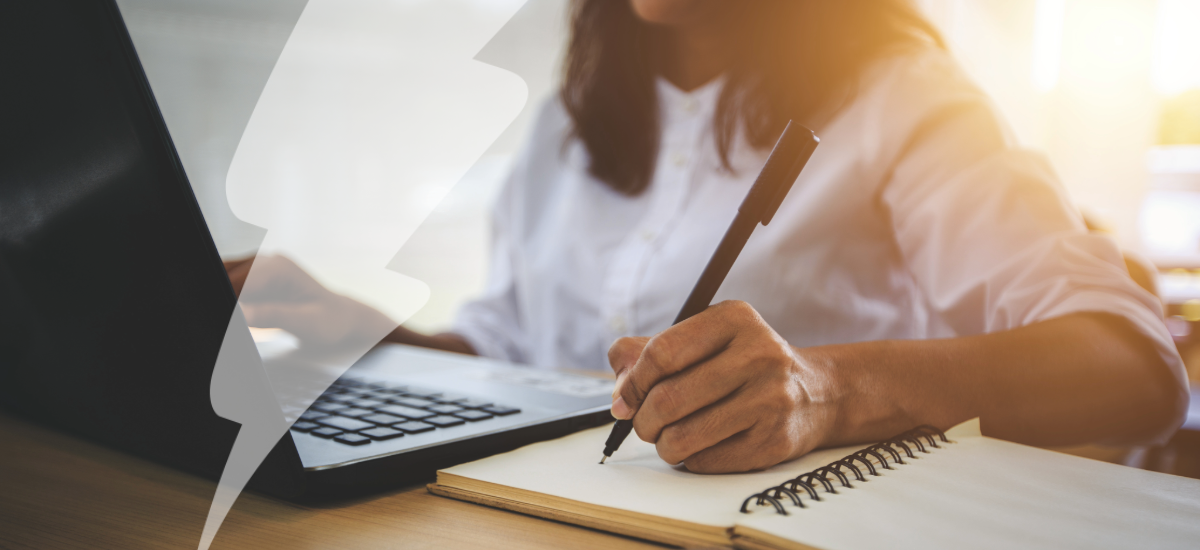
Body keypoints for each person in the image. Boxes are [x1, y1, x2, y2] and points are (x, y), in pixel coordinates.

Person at [232, 0, 1188, 474]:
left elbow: (1138, 366)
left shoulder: (904, 96)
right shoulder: (577, 117)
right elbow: (518, 355)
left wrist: (827, 390)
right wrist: (357, 329)